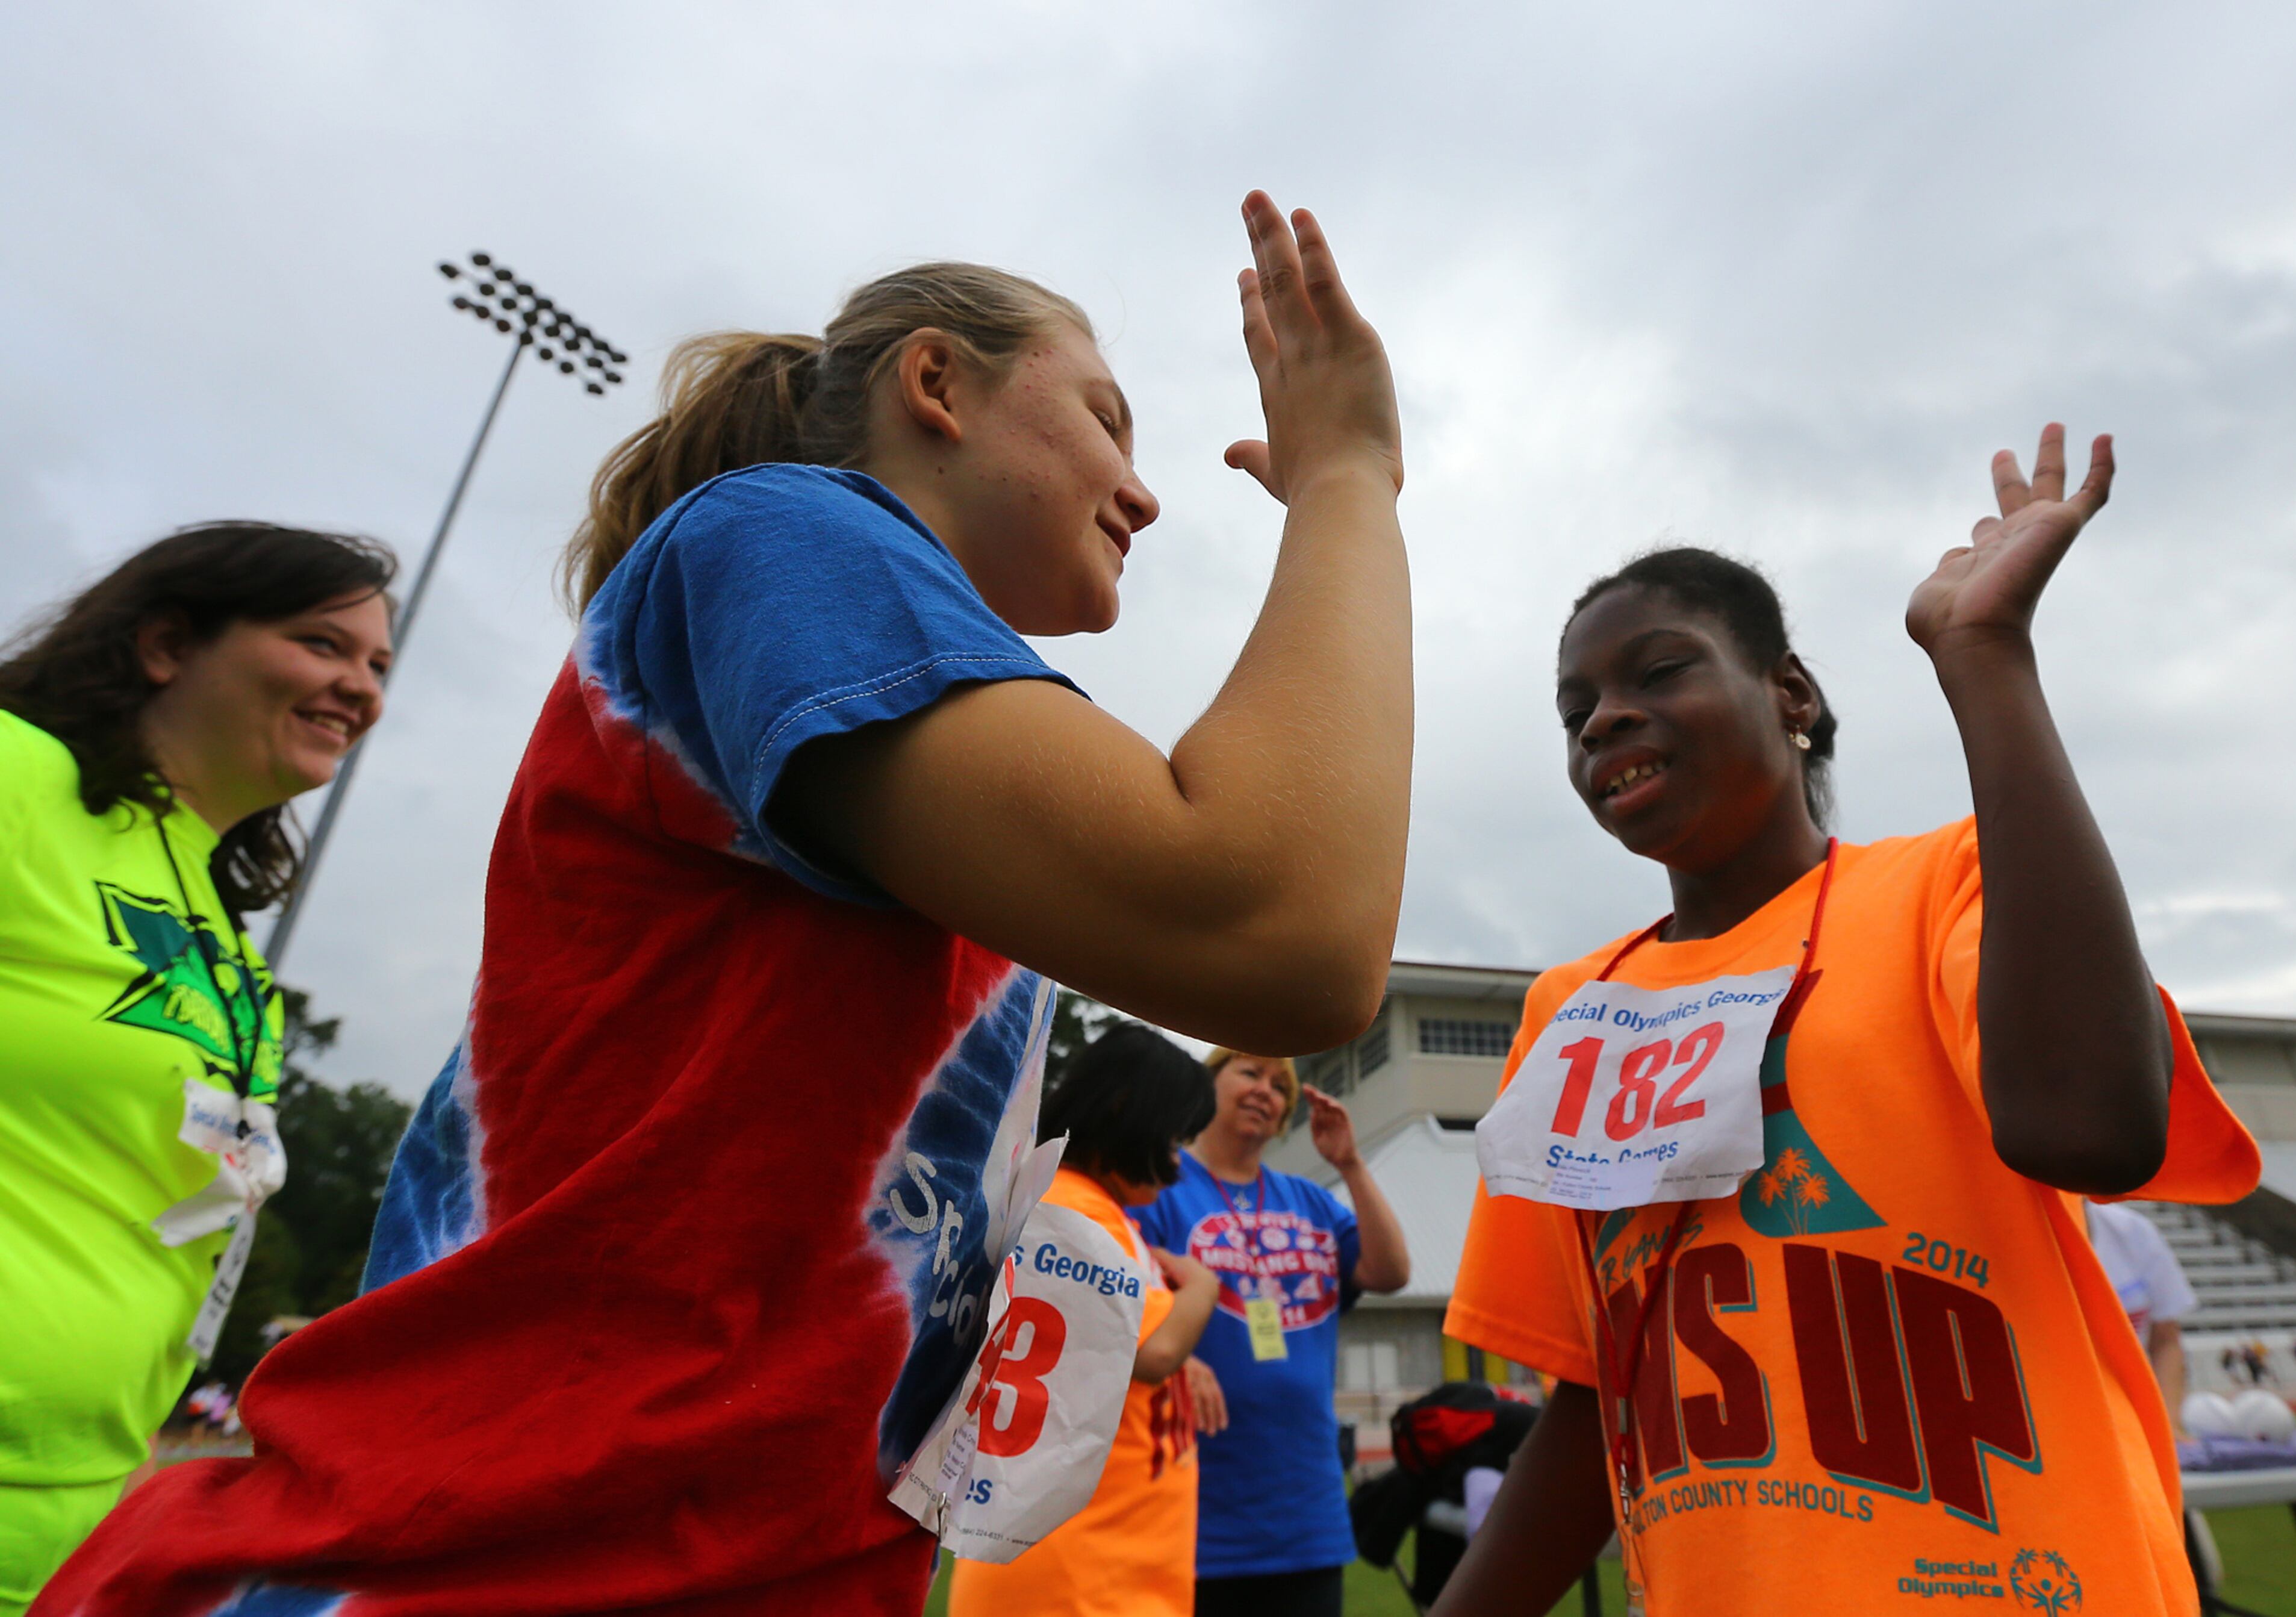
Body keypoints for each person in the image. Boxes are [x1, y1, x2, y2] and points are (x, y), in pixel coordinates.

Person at [38, 194, 1411, 1617]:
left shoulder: (918, 751)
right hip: (484, 1567)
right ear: (933, 383)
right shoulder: (783, 531)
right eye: (1105, 421)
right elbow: (1286, 930)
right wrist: (1345, 475)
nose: (1143, 490)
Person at [1436, 430, 2259, 1615]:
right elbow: (1596, 1392)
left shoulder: (1950, 886)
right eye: (1578, 709)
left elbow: (2093, 1129)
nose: (1604, 719)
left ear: (1795, 693)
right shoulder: (1569, 1010)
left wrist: (1986, 661)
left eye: (1657, 672)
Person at [0, 523, 395, 1616]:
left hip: (73, 1526)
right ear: (168, 644)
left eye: (378, 667)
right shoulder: (18, 774)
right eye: (323, 644)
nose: (359, 688)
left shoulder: (229, 944)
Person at [948, 1023, 1224, 1617]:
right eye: (1175, 1137)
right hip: (1076, 1578)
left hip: (1102, 1566)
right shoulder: (1077, 1212)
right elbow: (1152, 1354)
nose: (1178, 1159)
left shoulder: (1088, 1209)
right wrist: (1202, 1287)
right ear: (1126, 1110)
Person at [1133, 1049, 1413, 1617]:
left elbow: (1390, 1272)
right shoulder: (1159, 1190)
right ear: (1207, 1086)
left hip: (1305, 1515)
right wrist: (1174, 1354)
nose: (1265, 1089)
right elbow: (1118, 1297)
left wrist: (1351, 1164)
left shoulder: (1309, 1199)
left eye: (1279, 1084)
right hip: (1193, 1509)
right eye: (1249, 1072)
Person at [2085, 1198, 2196, 1427]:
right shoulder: (2014, 1237)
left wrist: (2169, 1425)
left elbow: (2166, 1340)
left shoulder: (2133, 1231)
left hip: (2127, 1417)